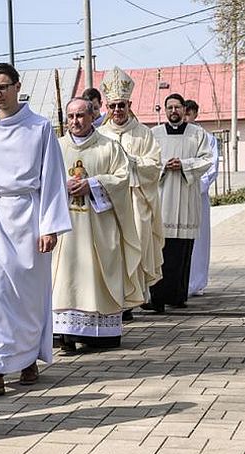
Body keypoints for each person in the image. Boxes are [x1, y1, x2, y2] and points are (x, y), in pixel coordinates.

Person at [0, 62, 72, 395]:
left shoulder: (39, 127)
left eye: (3, 87)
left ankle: (27, 358)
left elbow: (53, 178)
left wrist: (50, 226)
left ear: (18, 87)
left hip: (29, 216)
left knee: (28, 298)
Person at [52, 98, 140, 352]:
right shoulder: (56, 147)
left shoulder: (109, 147)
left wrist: (92, 184)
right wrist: (62, 186)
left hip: (99, 227)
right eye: (71, 116)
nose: (75, 121)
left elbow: (123, 179)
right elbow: (43, 181)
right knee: (63, 277)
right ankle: (64, 334)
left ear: (93, 116)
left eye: (80, 115)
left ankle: (100, 335)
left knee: (97, 274)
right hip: (64, 229)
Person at [98, 67, 164, 310]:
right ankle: (116, 302)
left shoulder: (143, 133)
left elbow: (155, 166)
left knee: (136, 247)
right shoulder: (100, 135)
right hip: (109, 203)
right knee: (112, 249)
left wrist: (132, 162)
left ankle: (135, 297)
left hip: (136, 200)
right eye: (113, 105)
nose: (117, 110)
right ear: (107, 106)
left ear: (130, 105)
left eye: (121, 105)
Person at [148, 93, 215, 312]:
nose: (173, 111)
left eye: (177, 107)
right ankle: (157, 298)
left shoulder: (197, 134)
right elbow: (147, 162)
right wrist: (164, 166)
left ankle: (178, 296)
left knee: (182, 250)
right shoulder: (155, 134)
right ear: (165, 110)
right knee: (161, 251)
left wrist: (184, 165)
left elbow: (207, 159)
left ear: (184, 110)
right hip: (163, 198)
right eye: (169, 107)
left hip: (186, 199)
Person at [184, 99, 220, 297]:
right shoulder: (171, 136)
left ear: (195, 115)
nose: (185, 118)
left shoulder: (207, 138)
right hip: (175, 196)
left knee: (198, 241)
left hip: (197, 194)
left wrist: (195, 185)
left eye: (188, 114)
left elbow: (211, 167)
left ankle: (196, 282)